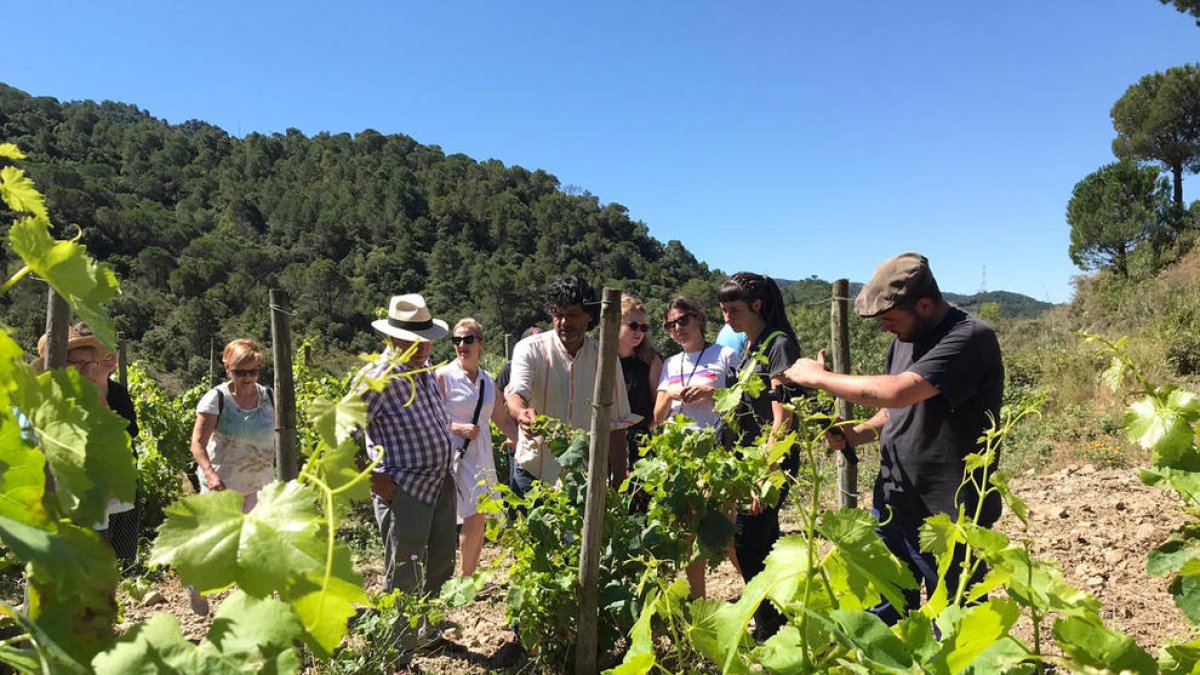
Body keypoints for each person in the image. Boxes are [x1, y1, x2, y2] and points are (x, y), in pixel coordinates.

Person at [781, 252, 1004, 625]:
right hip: (895, 498)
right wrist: (857, 433)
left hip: (949, 511)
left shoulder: (969, 337)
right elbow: (896, 411)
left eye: (889, 318)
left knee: (954, 620)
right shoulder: (904, 337)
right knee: (884, 610)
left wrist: (817, 376)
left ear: (925, 304)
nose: (885, 328)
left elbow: (898, 391)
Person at [356, 293, 457, 670]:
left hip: (440, 483)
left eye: (427, 338)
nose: (423, 346)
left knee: (442, 563)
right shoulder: (377, 377)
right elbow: (340, 427)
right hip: (406, 490)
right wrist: (373, 478)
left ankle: (426, 632)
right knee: (404, 571)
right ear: (392, 338)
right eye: (415, 339)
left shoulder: (425, 369)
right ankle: (394, 654)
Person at [717, 271, 803, 640]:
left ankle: (772, 626)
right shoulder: (752, 346)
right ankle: (780, 620)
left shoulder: (779, 344)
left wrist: (764, 471)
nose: (727, 318)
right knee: (763, 544)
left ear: (758, 305)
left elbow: (783, 416)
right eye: (722, 310)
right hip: (752, 460)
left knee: (749, 544)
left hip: (770, 461)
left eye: (733, 309)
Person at [505, 275, 640, 496]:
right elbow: (516, 392)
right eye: (558, 315)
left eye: (572, 315)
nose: (564, 322)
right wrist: (522, 412)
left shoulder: (605, 358)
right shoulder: (529, 349)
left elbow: (616, 424)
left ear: (589, 316)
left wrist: (617, 484)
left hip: (582, 480)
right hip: (533, 474)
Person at [653, 296, 740, 598]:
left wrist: (711, 394)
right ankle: (699, 603)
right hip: (680, 461)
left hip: (717, 457)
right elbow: (657, 416)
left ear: (699, 319)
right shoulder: (670, 364)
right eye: (670, 325)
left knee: (728, 535)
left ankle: (763, 602)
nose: (677, 328)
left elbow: (743, 402)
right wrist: (673, 392)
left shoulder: (725, 355)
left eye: (683, 320)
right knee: (688, 537)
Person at [37, 324, 140, 565]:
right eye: (78, 363)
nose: (85, 370)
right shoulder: (45, 398)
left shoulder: (99, 396)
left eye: (89, 363)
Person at [188, 338, 276, 615]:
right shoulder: (216, 399)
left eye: (253, 371)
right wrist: (211, 475)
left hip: (260, 485)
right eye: (240, 372)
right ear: (227, 369)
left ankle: (250, 607)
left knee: (256, 548)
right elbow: (197, 444)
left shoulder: (270, 396)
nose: (248, 378)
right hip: (222, 487)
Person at [436, 318, 519, 578]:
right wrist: (457, 428)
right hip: (454, 456)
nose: (462, 345)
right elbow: (430, 418)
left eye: (468, 339)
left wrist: (523, 441)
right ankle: (463, 578)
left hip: (481, 456)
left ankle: (466, 576)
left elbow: (502, 419)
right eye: (457, 340)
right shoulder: (443, 377)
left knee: (479, 517)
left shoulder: (487, 381)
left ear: (480, 344)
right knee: (473, 515)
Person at [617, 294, 662, 469]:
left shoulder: (650, 360)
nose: (639, 332)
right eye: (633, 326)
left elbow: (658, 404)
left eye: (644, 327)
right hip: (606, 439)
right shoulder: (600, 358)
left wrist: (647, 434)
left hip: (640, 443)